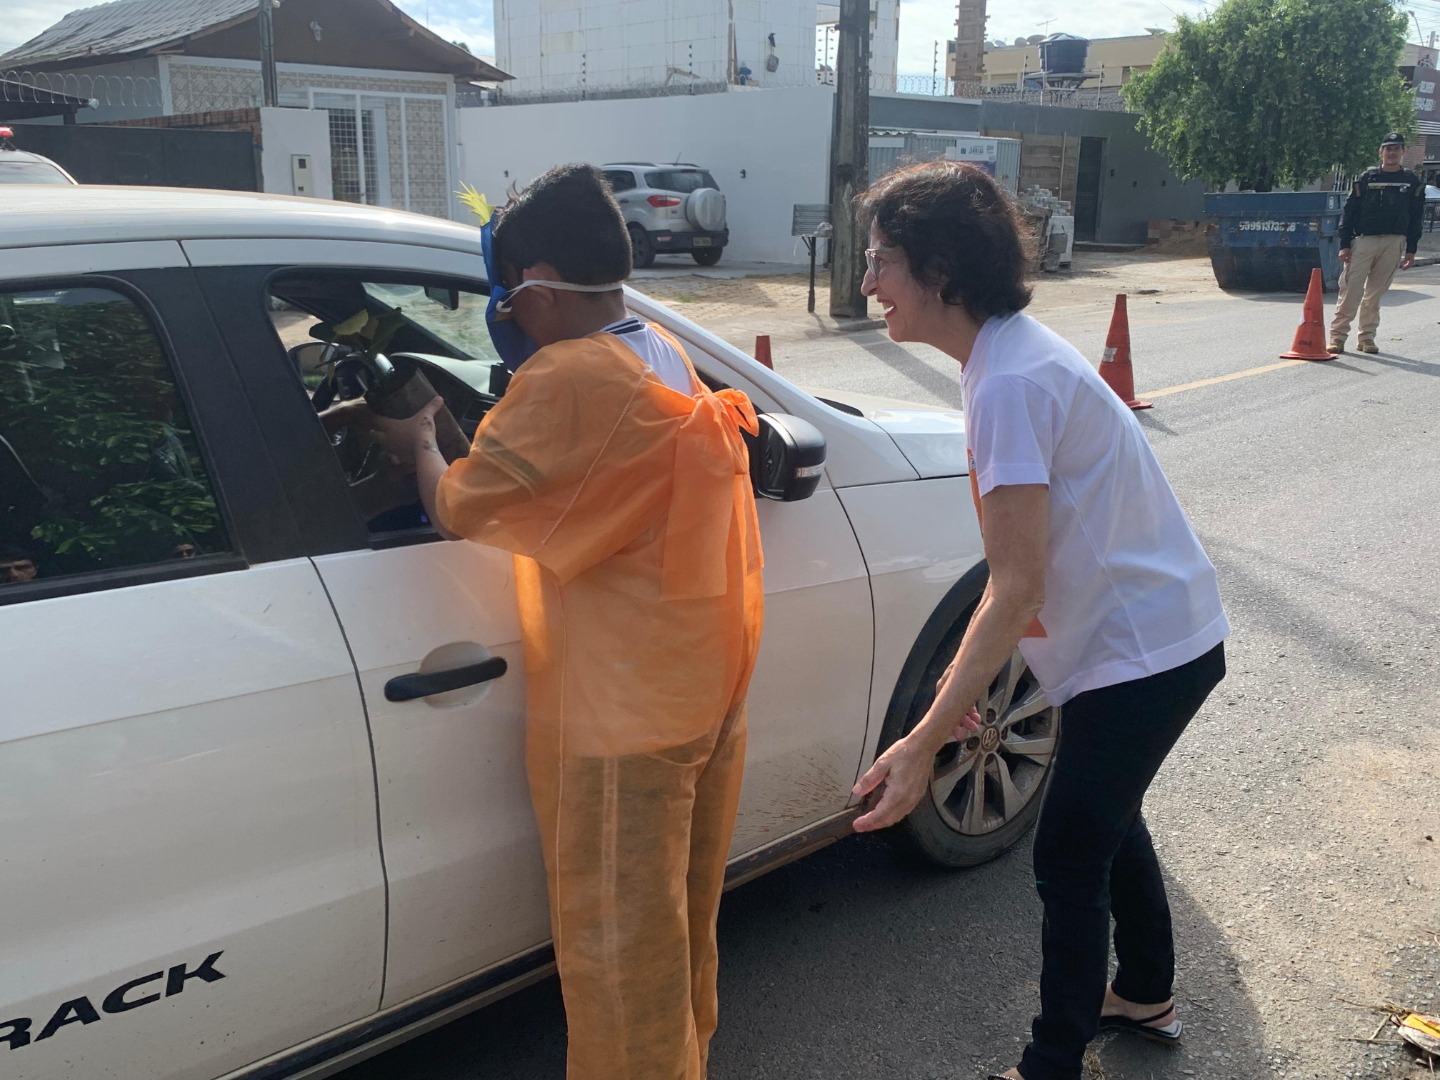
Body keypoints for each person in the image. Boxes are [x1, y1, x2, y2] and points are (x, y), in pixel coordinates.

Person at [366, 164, 764, 1080]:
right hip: (699, 688)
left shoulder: (571, 376)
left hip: (619, 719)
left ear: (537, 280)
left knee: (620, 959)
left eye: (508, 292)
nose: (507, 311)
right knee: (677, 931)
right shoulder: (652, 346)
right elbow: (573, 488)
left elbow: (464, 506)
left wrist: (420, 440)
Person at [849, 161, 1229, 1080]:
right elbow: (1022, 577)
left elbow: (1012, 585)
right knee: (1107, 820)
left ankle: (1050, 1063)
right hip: (1148, 639)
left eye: (881, 261)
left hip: (1143, 653)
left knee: (1067, 855)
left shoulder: (1008, 382)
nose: (866, 284)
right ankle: (1143, 991)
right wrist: (969, 692)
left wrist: (925, 738)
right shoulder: (1008, 357)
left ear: (940, 268)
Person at [1329, 132, 1427, 355]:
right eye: (1388, 149)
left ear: (1403, 152)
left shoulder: (1411, 182)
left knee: (1375, 294)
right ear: (1381, 152)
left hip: (1394, 242)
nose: (1392, 153)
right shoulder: (1367, 178)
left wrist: (1411, 248)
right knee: (1351, 291)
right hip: (1364, 241)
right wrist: (1344, 243)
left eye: (1397, 149)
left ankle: (1367, 338)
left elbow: (1416, 217)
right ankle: (1337, 337)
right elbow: (1350, 211)